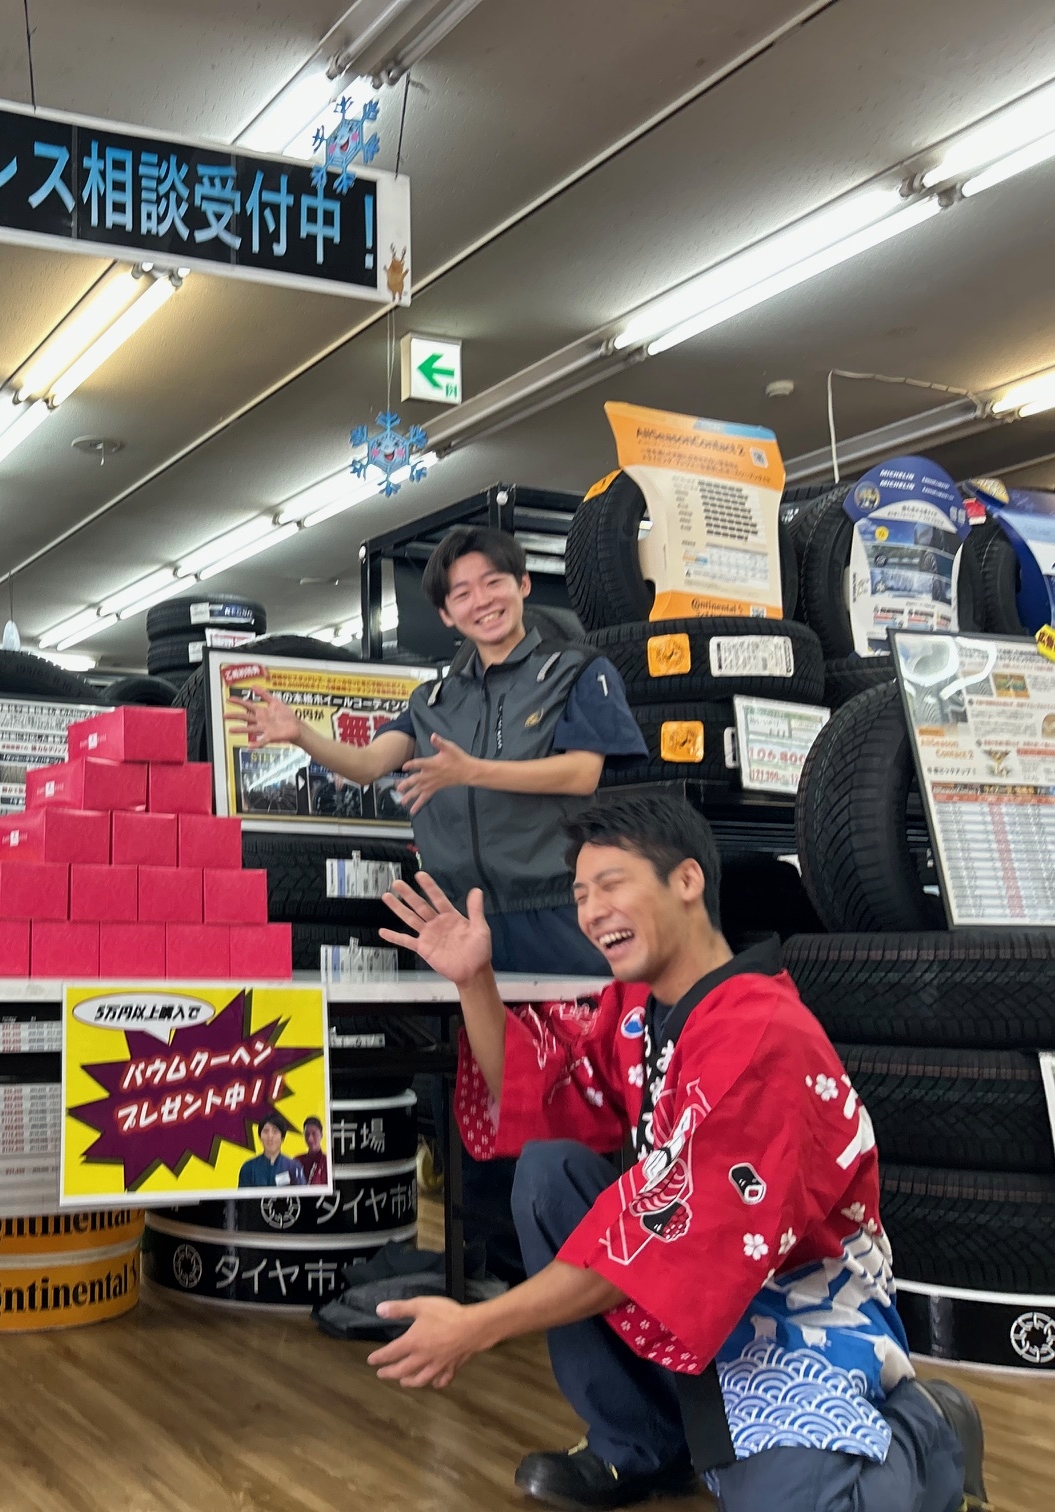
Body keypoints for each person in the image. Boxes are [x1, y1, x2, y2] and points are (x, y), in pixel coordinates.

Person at [365, 793, 987, 1512]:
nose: (592, 911)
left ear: (688, 880)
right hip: (686, 1279)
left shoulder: (762, 1035)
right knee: (550, 1172)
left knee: (794, 1505)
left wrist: (475, 1326)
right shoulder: (634, 1009)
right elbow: (539, 1089)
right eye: (580, 894)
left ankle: (929, 1427)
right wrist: (475, 980)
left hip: (792, 1305)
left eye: (612, 884)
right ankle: (638, 1447)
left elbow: (666, 1238)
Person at [236, 524, 647, 1279]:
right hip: (460, 925)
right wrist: (301, 735)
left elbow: (582, 773)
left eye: (494, 582)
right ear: (447, 614)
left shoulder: (575, 671)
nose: (481, 600)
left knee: (572, 1081)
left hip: (557, 913)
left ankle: (589, 1260)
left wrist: (473, 772)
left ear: (523, 586)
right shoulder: (431, 700)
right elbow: (369, 764)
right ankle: (489, 1259)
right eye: (462, 593)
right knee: (474, 1088)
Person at [237, 1115, 304, 1188]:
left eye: (275, 1132)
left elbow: (303, 1193)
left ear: (282, 1137)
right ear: (260, 1137)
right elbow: (243, 1195)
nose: (270, 1136)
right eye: (266, 1131)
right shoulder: (248, 1168)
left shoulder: (294, 1167)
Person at [295, 1115, 330, 1187]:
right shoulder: (297, 1161)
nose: (310, 1139)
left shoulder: (327, 1161)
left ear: (321, 1135)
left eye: (314, 1134)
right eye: (307, 1134)